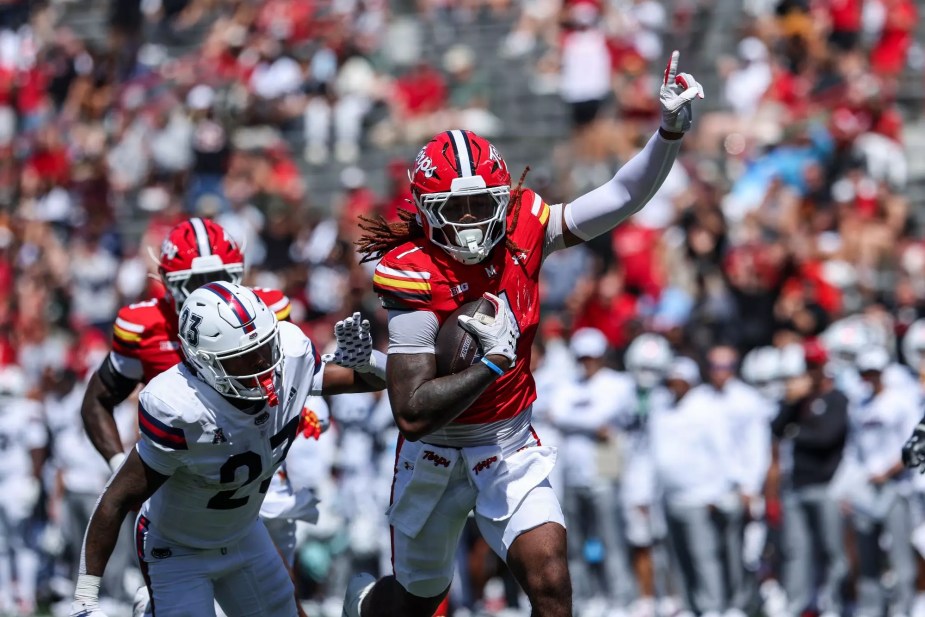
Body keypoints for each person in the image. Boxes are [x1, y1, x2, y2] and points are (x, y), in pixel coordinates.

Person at [347, 51, 703, 617]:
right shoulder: (412, 270)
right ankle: (366, 604)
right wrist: (488, 365)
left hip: (506, 442)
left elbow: (618, 197)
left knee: (551, 581)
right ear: (423, 208)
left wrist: (666, 135)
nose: (467, 221)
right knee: (417, 602)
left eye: (478, 204)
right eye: (452, 208)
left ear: (503, 199)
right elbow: (412, 412)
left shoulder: (524, 226)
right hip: (434, 451)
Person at [69, 282, 386, 617]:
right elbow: (116, 499)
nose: (264, 365)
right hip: (178, 549)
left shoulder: (291, 355)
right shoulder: (181, 407)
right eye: (244, 359)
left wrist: (369, 362)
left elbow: (377, 380)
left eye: (266, 347)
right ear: (203, 362)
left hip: (245, 533)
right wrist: (85, 600)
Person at [770, 340, 849, 617]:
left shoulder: (836, 398)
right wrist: (792, 403)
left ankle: (838, 606)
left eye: (815, 365)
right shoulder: (799, 400)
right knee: (796, 552)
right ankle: (797, 607)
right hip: (796, 486)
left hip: (827, 485)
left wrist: (797, 433)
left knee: (833, 550)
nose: (811, 371)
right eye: (807, 365)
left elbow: (826, 437)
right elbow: (776, 428)